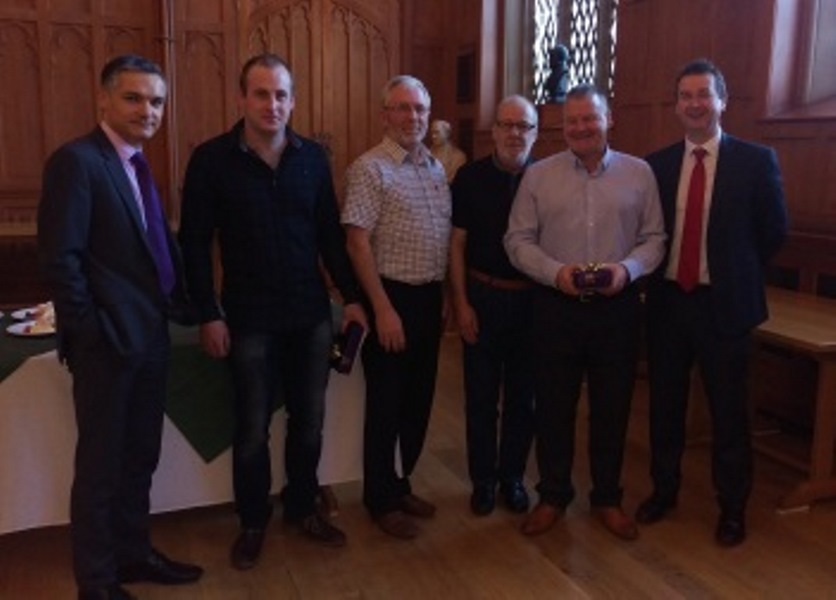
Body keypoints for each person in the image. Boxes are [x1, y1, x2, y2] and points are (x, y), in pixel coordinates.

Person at [178, 53, 366, 569]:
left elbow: (329, 235)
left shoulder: (312, 158)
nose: (272, 104)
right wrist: (207, 313)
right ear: (241, 99)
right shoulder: (212, 160)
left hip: (308, 314)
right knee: (251, 428)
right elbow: (194, 243)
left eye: (281, 94)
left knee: (309, 423)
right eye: (261, 93)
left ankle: (302, 509)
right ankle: (253, 520)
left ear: (293, 101)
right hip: (248, 316)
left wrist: (350, 296)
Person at [38, 54, 203, 600]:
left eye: (156, 101)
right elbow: (61, 260)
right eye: (134, 98)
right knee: (101, 469)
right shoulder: (77, 162)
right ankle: (98, 580)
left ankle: (133, 555)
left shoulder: (134, 164)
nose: (148, 110)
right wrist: (89, 332)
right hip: (106, 345)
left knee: (140, 459)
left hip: (149, 336)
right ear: (103, 100)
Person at [635, 59, 788, 547]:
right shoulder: (655, 166)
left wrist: (732, 273)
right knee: (665, 407)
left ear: (722, 101)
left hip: (726, 307)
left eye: (704, 94)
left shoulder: (755, 161)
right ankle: (664, 491)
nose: (695, 104)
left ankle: (732, 508)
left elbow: (773, 233)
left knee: (729, 414)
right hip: (668, 307)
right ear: (677, 105)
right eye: (686, 96)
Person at [504, 84, 666, 541]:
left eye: (589, 118)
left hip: (617, 309)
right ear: (562, 126)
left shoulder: (640, 174)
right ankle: (554, 495)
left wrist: (627, 270)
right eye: (571, 121)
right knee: (553, 407)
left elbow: (655, 238)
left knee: (612, 410)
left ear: (608, 118)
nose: (580, 127)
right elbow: (516, 241)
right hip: (556, 308)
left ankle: (608, 498)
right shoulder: (539, 176)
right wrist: (556, 273)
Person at [343, 75, 451, 540]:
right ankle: (379, 497)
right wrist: (382, 308)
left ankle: (401, 482)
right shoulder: (369, 169)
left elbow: (444, 239)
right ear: (385, 114)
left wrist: (445, 297)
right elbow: (357, 243)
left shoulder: (435, 168)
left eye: (420, 109)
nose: (413, 117)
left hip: (430, 297)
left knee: (419, 399)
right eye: (403, 108)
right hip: (391, 296)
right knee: (386, 403)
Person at [449, 95, 539, 516]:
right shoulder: (469, 177)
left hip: (532, 302)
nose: (514, 133)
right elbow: (457, 244)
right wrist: (461, 303)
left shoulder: (547, 179)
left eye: (524, 126)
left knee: (525, 398)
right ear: (494, 131)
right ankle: (483, 480)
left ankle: (513, 479)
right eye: (507, 125)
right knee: (481, 397)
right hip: (482, 297)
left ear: (535, 132)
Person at [430, 119, 467, 183]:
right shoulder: (426, 154)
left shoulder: (459, 157)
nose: (433, 136)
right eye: (432, 133)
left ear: (447, 133)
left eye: (437, 132)